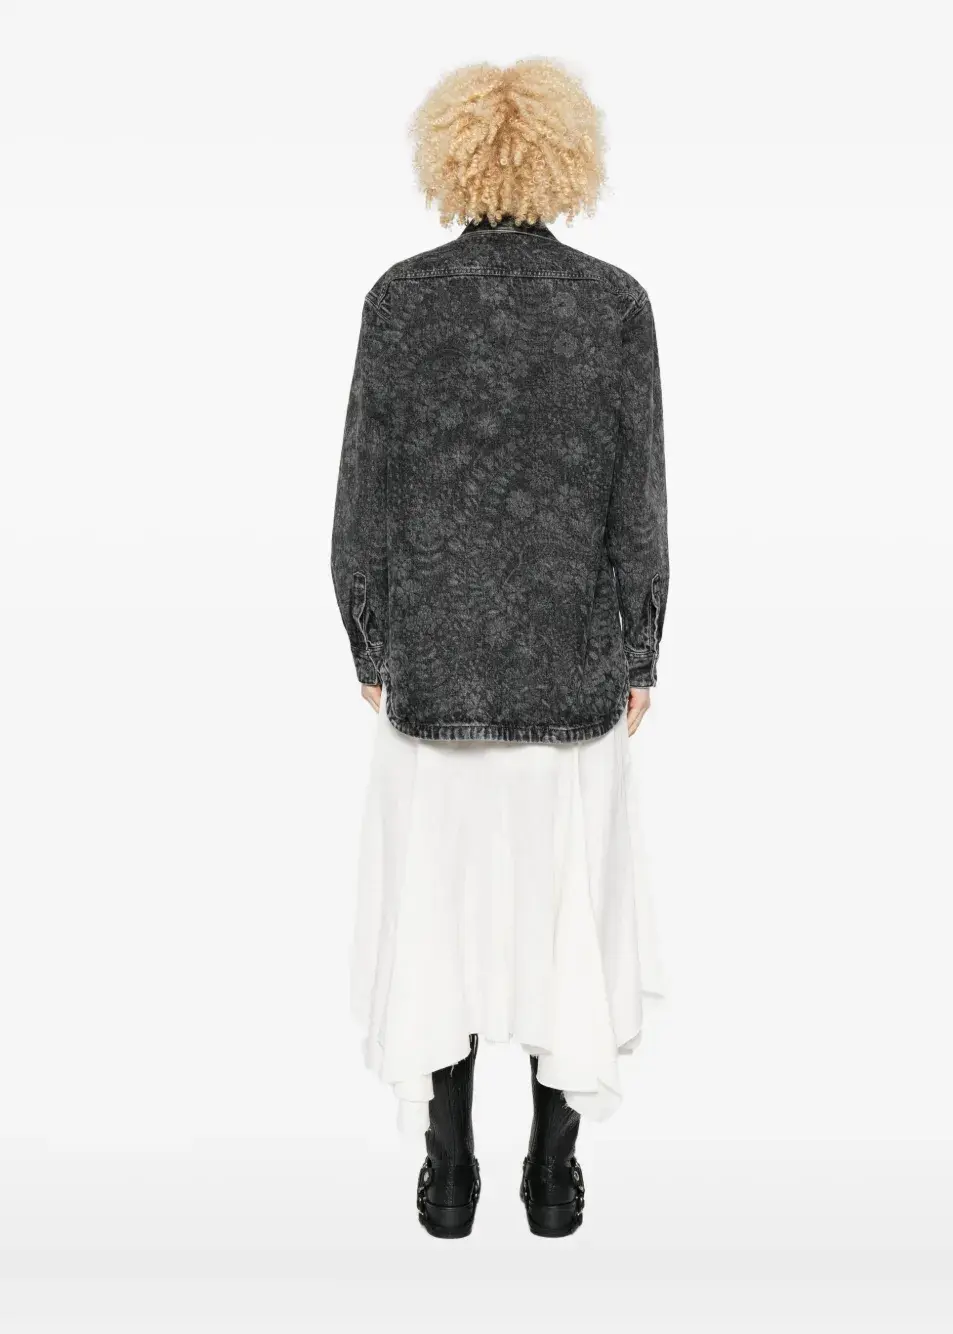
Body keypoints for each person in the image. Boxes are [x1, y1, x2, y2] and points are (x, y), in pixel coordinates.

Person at [331, 59, 669, 1239]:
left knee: (438, 915)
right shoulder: (614, 304)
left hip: (433, 668)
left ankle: (447, 1170)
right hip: (572, 667)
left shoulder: (401, 299)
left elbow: (363, 489)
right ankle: (553, 1174)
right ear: (567, 157)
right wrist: (640, 647)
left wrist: (369, 636)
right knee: (562, 917)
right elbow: (638, 497)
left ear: (452, 156)